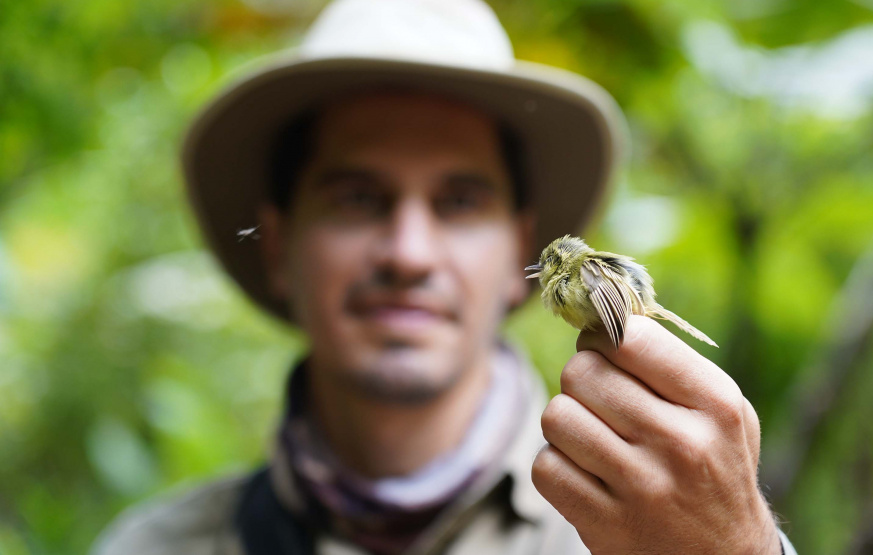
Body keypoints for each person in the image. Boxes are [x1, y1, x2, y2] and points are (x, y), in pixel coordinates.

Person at [93, 0, 798, 553]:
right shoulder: (153, 546)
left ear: (519, 253)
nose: (409, 253)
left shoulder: (645, 532)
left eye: (460, 202)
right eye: (357, 199)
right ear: (278, 247)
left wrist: (738, 548)